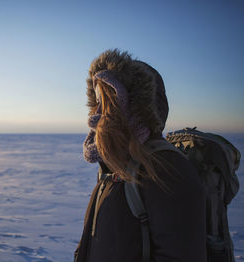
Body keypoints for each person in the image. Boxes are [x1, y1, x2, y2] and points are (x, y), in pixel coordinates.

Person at [74, 49, 206, 262]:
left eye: (106, 100)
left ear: (135, 106)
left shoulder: (165, 169)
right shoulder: (114, 169)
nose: (96, 112)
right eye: (95, 101)